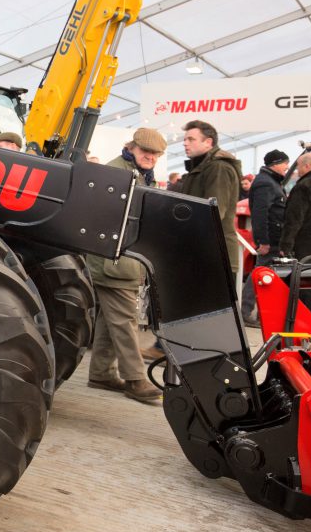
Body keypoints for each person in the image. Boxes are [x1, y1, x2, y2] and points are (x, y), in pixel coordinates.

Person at [86, 128, 166, 403]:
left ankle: (101, 373)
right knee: (125, 321)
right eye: (146, 151)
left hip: (122, 260)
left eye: (155, 154)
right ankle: (135, 379)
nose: (151, 157)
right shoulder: (117, 172)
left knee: (111, 320)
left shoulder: (135, 172)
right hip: (115, 260)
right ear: (131, 147)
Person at [178, 120, 244, 275]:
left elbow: (213, 212)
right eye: (184, 139)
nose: (185, 143)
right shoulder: (199, 168)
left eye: (191, 139)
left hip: (213, 254)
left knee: (210, 300)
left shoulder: (218, 167)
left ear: (208, 142)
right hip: (203, 252)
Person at [240, 150, 289, 326]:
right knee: (260, 274)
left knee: (265, 275)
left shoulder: (269, 181)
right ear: (276, 163)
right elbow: (260, 214)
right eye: (285, 163)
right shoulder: (266, 183)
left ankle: (261, 314)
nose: (287, 167)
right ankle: (246, 313)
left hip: (273, 237)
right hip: (271, 239)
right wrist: (263, 241)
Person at [279, 152, 311, 321]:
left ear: (307, 166)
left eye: (298, 166)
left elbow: (294, 219)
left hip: (307, 245)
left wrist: (285, 246)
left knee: (308, 286)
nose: (297, 170)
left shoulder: (305, 186)